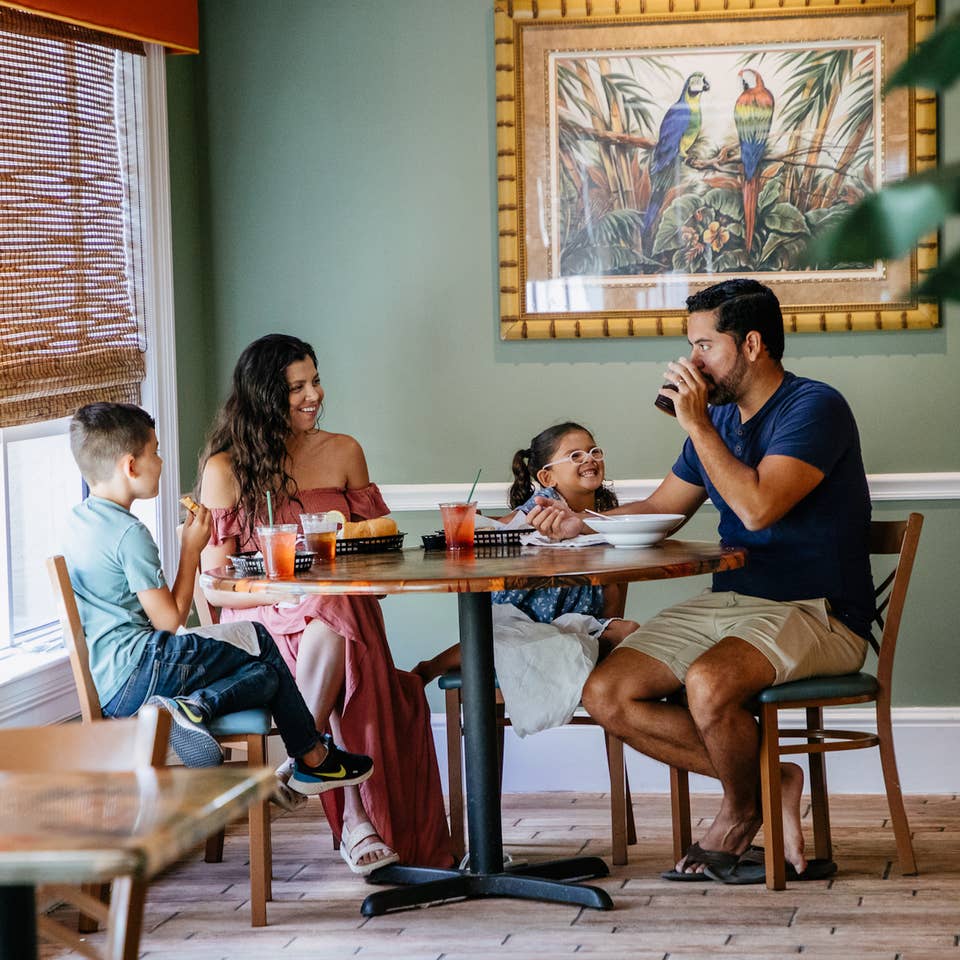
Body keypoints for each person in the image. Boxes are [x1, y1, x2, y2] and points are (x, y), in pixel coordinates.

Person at [527, 279, 874, 883]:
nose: (692, 363)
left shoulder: (815, 407)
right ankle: (774, 778)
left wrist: (698, 426)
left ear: (753, 345)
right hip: (736, 603)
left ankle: (740, 814)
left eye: (704, 346)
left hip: (820, 610)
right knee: (606, 692)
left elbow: (757, 508)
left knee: (709, 682)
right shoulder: (714, 419)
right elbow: (664, 505)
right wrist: (579, 521)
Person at [197, 333, 453, 875]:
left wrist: (338, 579)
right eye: (297, 387)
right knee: (335, 616)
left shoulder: (344, 452)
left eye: (315, 380)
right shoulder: (226, 469)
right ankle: (333, 792)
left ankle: (304, 765)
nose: (314, 394)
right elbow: (215, 586)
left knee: (336, 610)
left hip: (338, 612)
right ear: (265, 396)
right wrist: (288, 590)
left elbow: (379, 564)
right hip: (262, 621)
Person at [61, 402, 374, 799]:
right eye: (154, 452)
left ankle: (198, 710)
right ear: (130, 466)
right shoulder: (129, 535)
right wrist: (192, 549)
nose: (160, 461)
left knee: (267, 675)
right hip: (146, 667)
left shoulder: (77, 521)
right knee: (260, 639)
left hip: (113, 684)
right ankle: (309, 756)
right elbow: (170, 621)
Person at [412, 422, 641, 715]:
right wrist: (475, 524)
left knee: (628, 631)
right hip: (527, 621)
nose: (589, 459)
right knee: (502, 641)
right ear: (547, 476)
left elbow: (615, 587)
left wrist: (609, 621)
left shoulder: (605, 516)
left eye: (594, 451)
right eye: (575, 455)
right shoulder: (541, 509)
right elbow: (502, 525)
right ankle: (427, 669)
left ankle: (612, 701)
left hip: (580, 621)